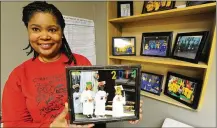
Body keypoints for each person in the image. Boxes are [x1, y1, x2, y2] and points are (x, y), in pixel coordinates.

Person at [2, 1, 143, 128]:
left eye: (52, 29)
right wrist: (51, 127)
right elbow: (13, 125)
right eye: (36, 29)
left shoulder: (81, 62)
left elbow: (99, 101)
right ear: (28, 30)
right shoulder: (19, 75)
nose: (44, 36)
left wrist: (127, 109)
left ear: (61, 32)